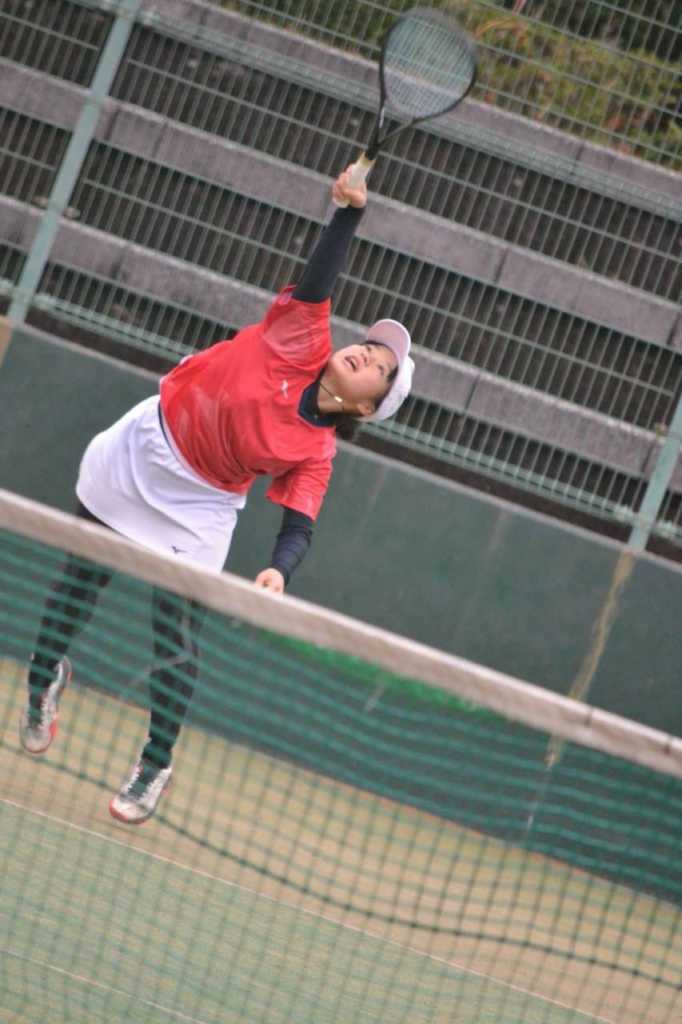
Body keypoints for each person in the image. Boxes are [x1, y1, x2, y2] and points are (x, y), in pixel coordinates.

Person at [18, 167, 414, 825]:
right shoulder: (300, 337)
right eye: (369, 347)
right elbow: (319, 278)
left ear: (367, 408)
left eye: (379, 368)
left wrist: (278, 571)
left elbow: (298, 527)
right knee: (79, 580)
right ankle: (41, 681)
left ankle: (155, 764)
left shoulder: (317, 451)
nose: (366, 355)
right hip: (145, 447)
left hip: (200, 506)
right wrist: (348, 213)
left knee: (173, 631)